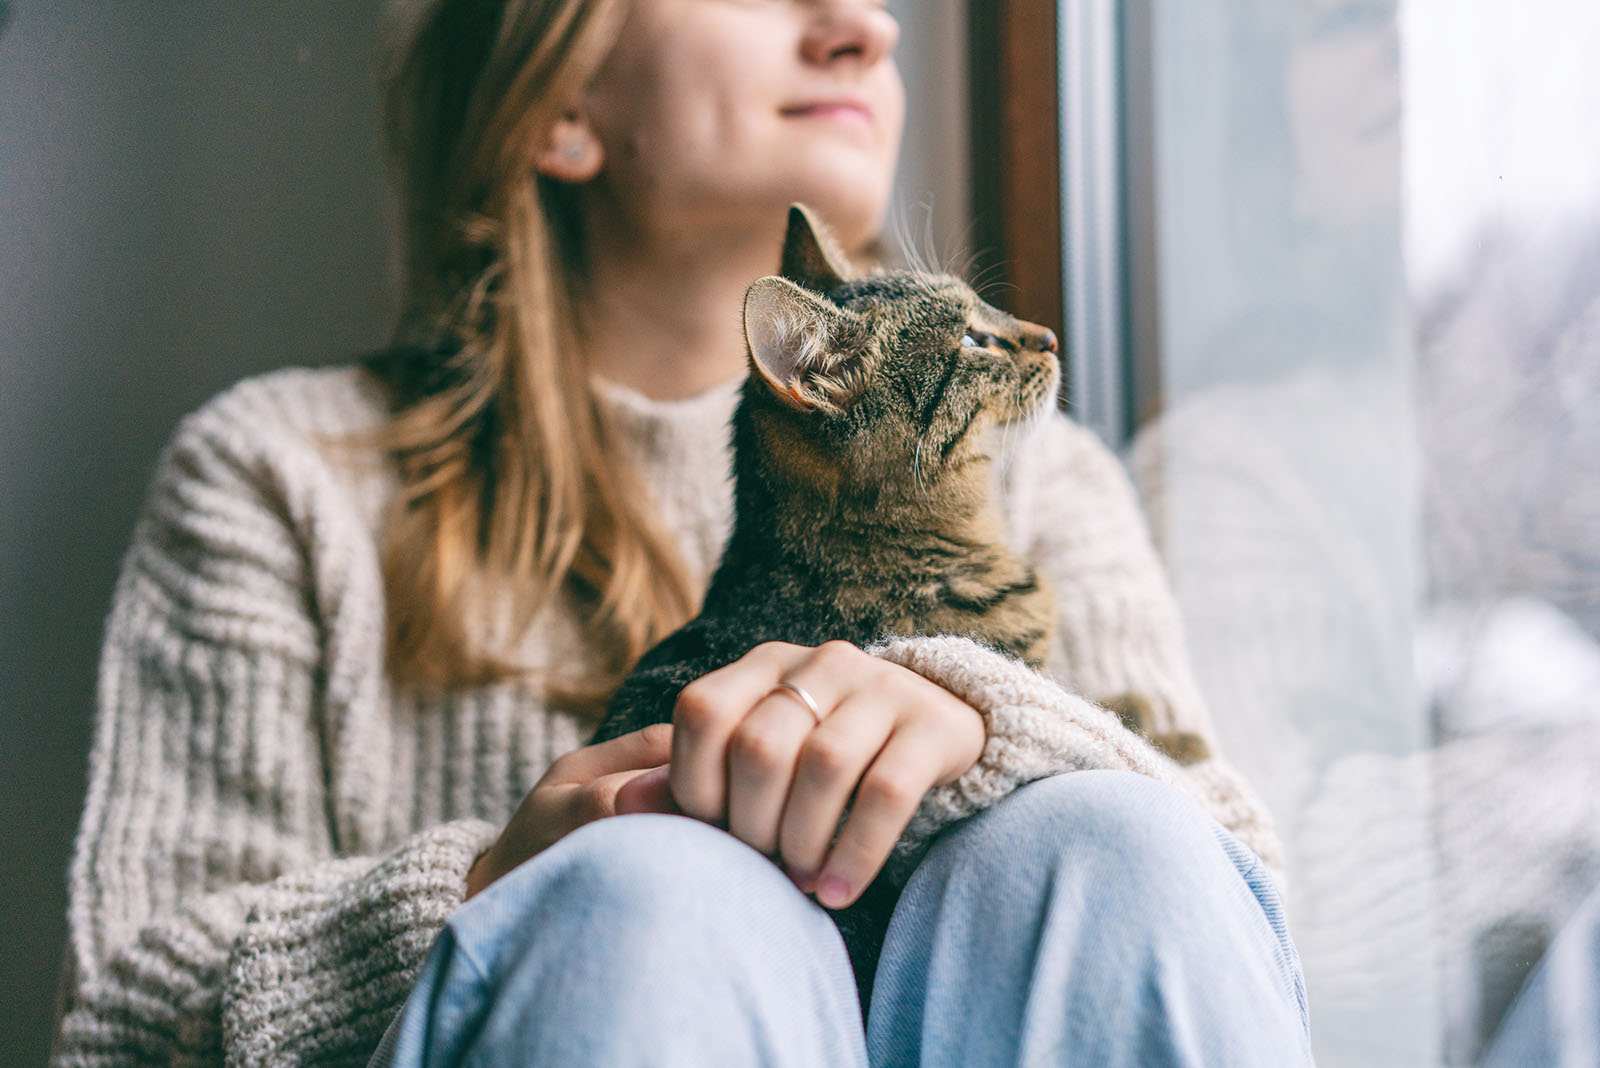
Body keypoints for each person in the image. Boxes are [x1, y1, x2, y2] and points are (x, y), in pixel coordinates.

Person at [49, 1, 1313, 1065]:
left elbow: (1224, 883)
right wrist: (494, 892)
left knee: (1108, 845)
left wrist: (993, 725)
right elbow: (119, 1026)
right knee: (653, 902)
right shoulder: (280, 478)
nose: (865, 27)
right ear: (559, 102)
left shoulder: (1041, 479)